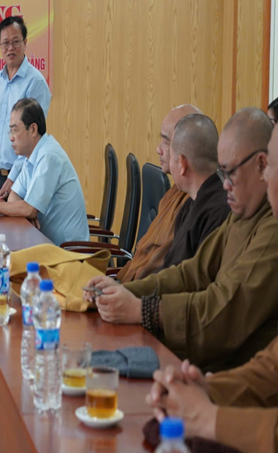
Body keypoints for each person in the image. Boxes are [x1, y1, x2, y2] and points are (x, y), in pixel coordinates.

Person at [84, 108, 278, 372]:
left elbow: (226, 310)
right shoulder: (242, 212)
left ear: (262, 166)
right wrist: (124, 291)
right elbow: (192, 273)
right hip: (199, 364)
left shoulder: (270, 228)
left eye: (230, 172)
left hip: (223, 373)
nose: (225, 185)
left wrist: (143, 310)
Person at [143, 125, 278, 453]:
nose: (267, 179)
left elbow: (224, 308)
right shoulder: (243, 215)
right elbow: (271, 370)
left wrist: (209, 419)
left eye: (272, 167)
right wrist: (206, 389)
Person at [0, 98, 88, 245]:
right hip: (45, 243)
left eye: (15, 130)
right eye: (10, 131)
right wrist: (26, 213)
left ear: (33, 129)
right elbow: (14, 195)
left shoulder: (48, 156)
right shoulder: (30, 156)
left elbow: (30, 209)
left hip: (68, 251)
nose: (11, 138)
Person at [116, 104, 202, 282]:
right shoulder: (175, 191)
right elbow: (143, 251)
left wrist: (119, 289)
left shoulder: (193, 203)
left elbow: (160, 266)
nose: (158, 149)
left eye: (165, 141)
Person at [0, 16, 51, 200]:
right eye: (5, 43)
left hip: (22, 177)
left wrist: (13, 177)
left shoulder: (35, 82)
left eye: (16, 42)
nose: (10, 48)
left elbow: (33, 139)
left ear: (25, 43)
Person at [162, 114, 230, 268]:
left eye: (171, 157)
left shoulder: (219, 214)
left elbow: (198, 277)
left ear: (182, 164)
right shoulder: (189, 204)